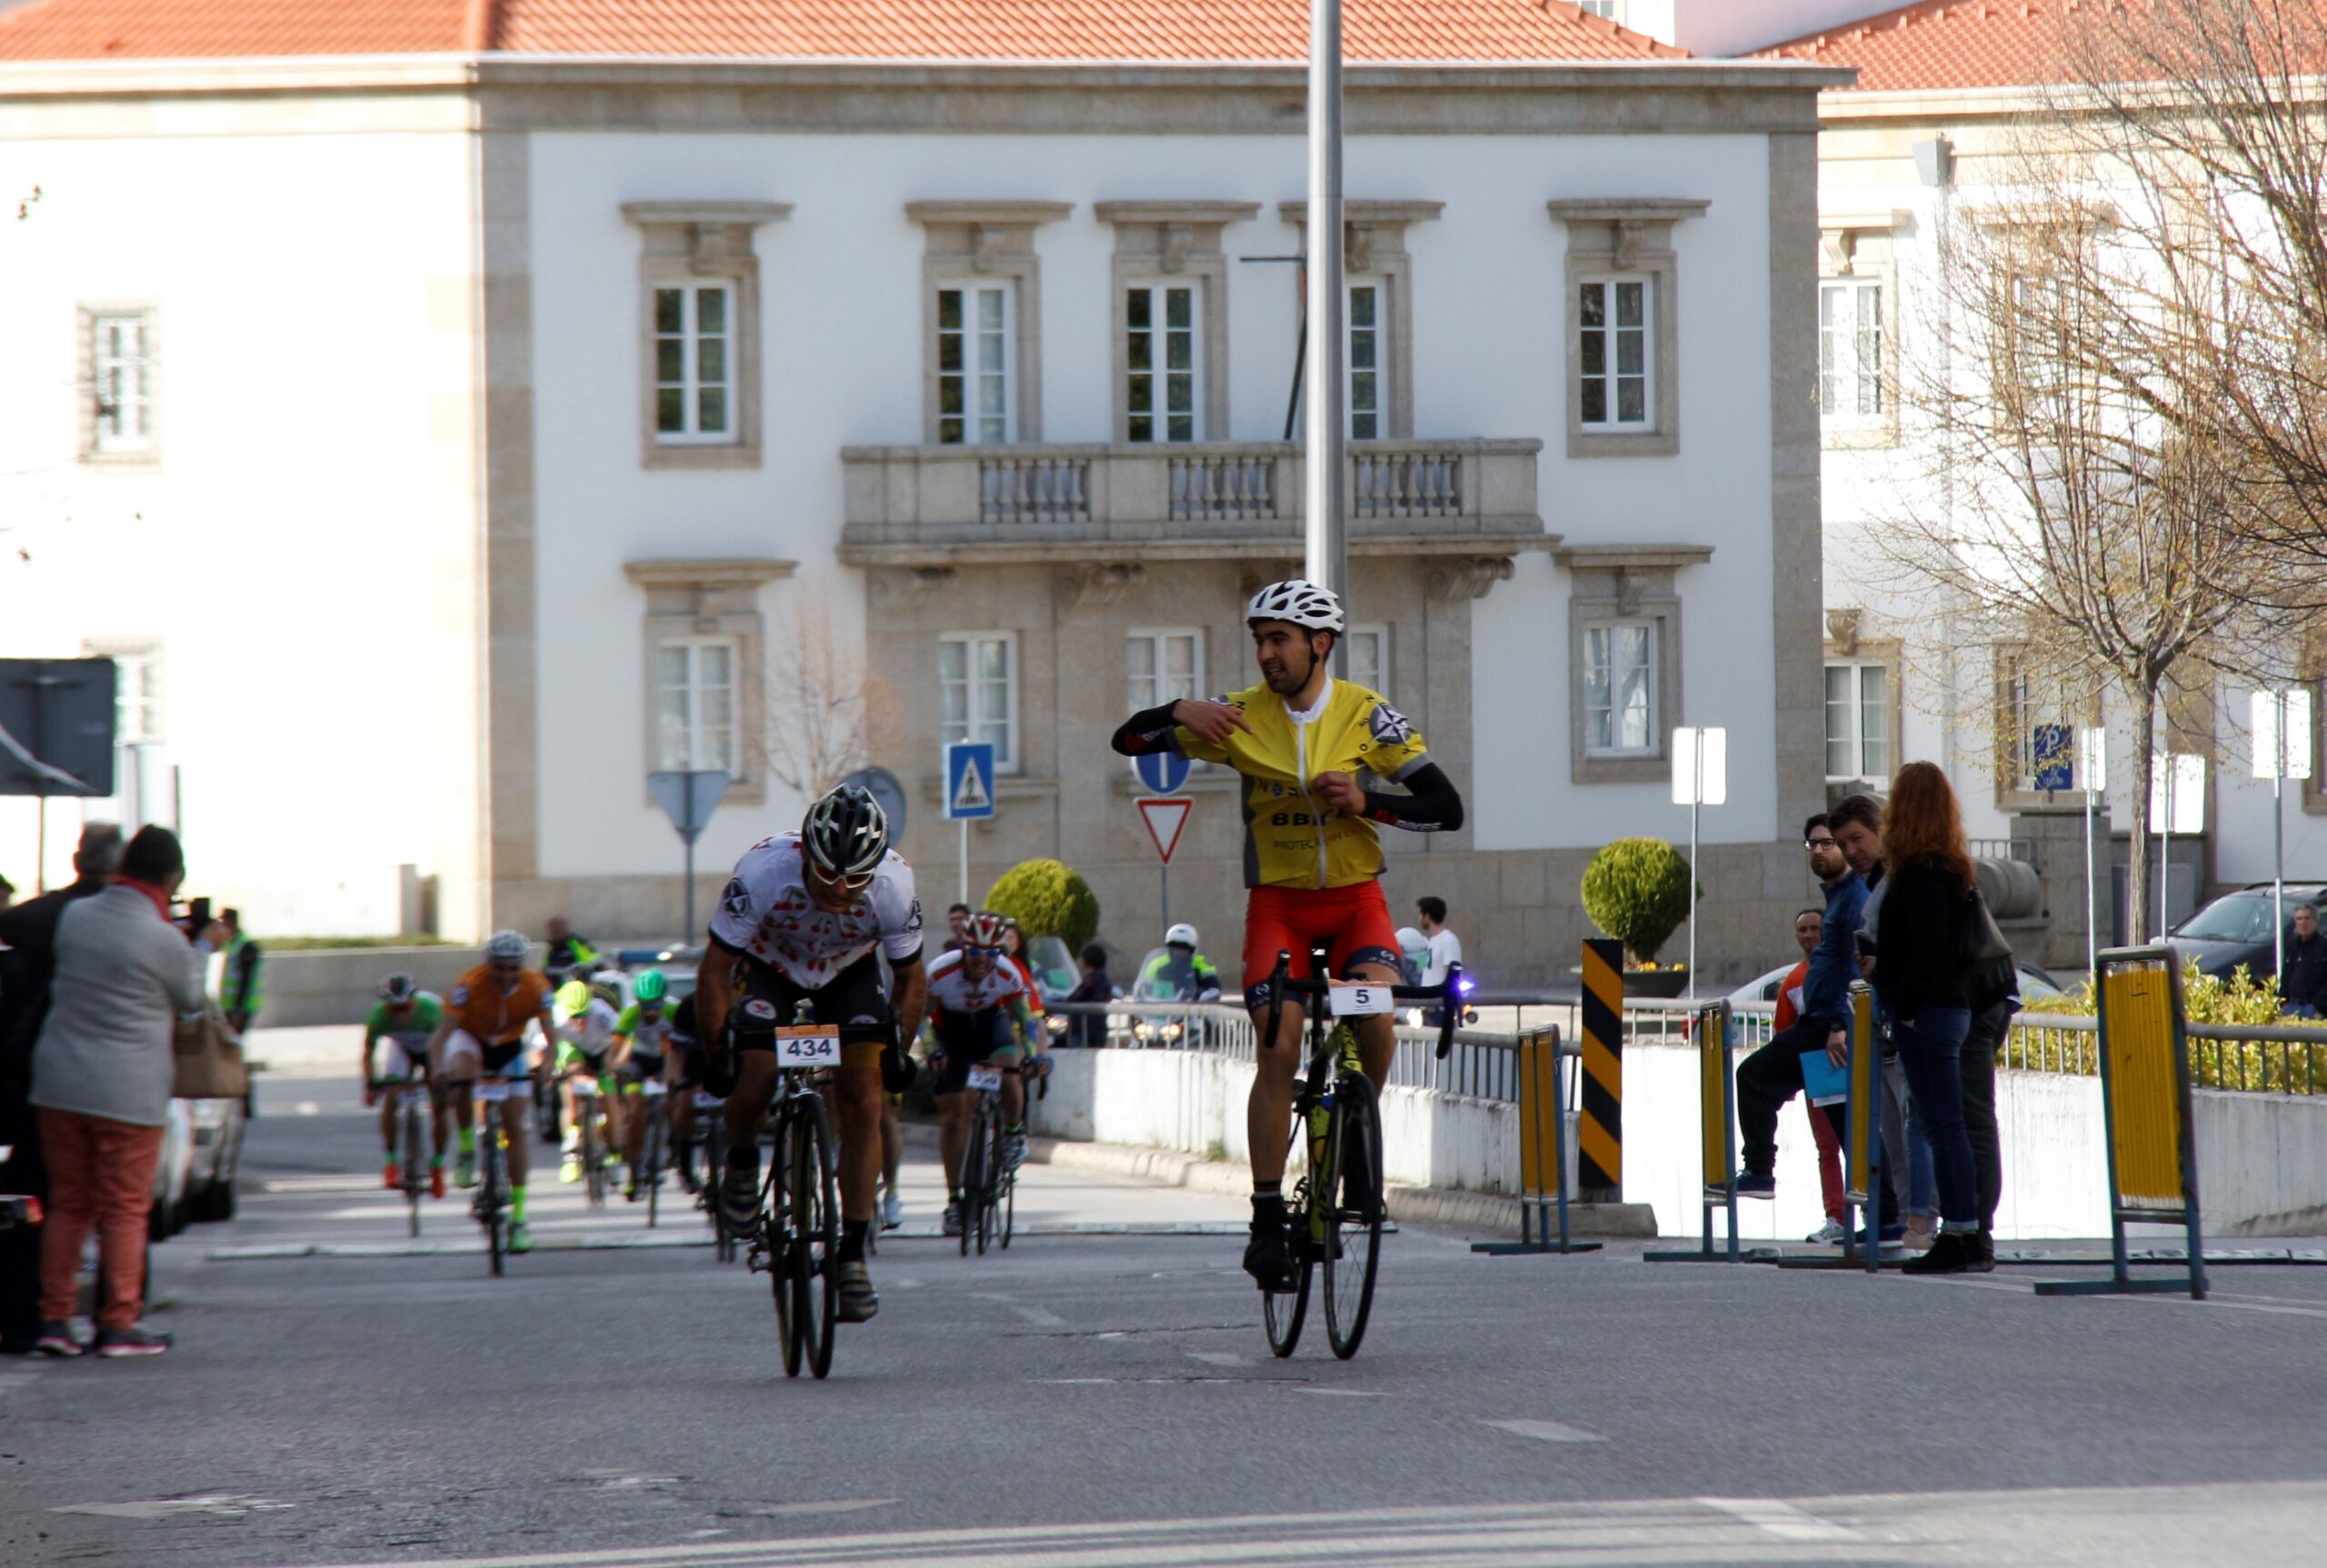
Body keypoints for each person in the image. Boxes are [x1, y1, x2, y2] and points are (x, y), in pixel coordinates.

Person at [1110, 577, 1465, 1290]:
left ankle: (1359, 1148)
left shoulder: (1369, 714)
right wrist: (1178, 709)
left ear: (1320, 644)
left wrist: (1369, 801)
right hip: (1278, 906)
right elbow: (1129, 740)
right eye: (1259, 641)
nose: (1267, 654)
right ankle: (1266, 1219)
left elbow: (1446, 807)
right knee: (1279, 1041)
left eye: (1280, 640)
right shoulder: (1238, 716)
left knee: (1378, 1017)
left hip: (1356, 899)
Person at [698, 784, 928, 1324]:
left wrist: (900, 1050)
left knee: (865, 1098)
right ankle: (738, 1163)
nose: (841, 889)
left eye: (855, 878)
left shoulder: (894, 884)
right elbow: (713, 969)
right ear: (804, 853)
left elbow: (911, 980)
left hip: (847, 973)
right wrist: (716, 1054)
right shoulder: (760, 873)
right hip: (770, 967)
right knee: (753, 1074)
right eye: (828, 874)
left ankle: (851, 1252)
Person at [31, 824, 213, 1357]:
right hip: (128, 1090)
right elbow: (193, 1002)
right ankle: (117, 1323)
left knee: (68, 1205)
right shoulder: (164, 938)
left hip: (60, 1081)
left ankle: (54, 1321)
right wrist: (199, 944)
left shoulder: (77, 917)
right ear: (172, 877)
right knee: (124, 1209)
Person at [1721, 808, 1900, 1238]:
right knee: (1845, 1122)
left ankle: (1761, 1170)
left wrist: (1841, 1023)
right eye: (1813, 845)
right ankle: (1887, 1218)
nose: (1821, 851)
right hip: (1822, 1027)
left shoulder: (1854, 896)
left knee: (1754, 1078)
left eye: (1829, 843)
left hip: (1826, 1030)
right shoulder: (1838, 897)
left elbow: (1856, 968)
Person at [0, 824, 123, 1354]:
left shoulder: (33, 918)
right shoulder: (128, 922)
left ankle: (33, 1319)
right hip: (112, 1080)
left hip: (30, 1073)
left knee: (42, 1199)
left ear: (77, 858)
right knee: (123, 1201)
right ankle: (116, 1316)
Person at [1867, 762, 1983, 1276]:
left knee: (1942, 1126)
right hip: (1950, 1006)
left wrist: (1906, 1008)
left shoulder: (1918, 873)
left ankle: (1960, 1232)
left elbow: (1926, 950)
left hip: (1928, 1012)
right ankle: (1969, 1234)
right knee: (1946, 1124)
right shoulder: (1953, 868)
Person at [428, 929, 555, 1252]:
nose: (506, 974)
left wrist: (547, 1065)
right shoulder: (468, 985)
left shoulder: (537, 986)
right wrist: (438, 1069)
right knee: (463, 1074)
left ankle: (520, 1217)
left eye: (513, 967)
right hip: (471, 1039)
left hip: (509, 1047)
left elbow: (551, 1038)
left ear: (522, 967)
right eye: (499, 966)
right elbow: (442, 1035)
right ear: (489, 964)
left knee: (516, 1127)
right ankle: (468, 1146)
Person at [927, 912, 1044, 1235]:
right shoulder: (940, 973)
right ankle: (954, 1201)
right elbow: (922, 1018)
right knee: (953, 1118)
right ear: (963, 949)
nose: (982, 961)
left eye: (991, 953)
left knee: (1010, 1067)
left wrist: (1032, 1057)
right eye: (975, 953)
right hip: (951, 1029)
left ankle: (1014, 1133)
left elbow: (1025, 1021)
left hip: (990, 1025)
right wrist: (931, 1049)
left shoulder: (1007, 974)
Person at [1773, 907, 1849, 1245]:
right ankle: (1836, 1217)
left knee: (1860, 1143)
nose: (1808, 935)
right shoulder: (1792, 982)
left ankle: (1878, 1214)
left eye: (1814, 928)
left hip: (1852, 1061)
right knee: (1828, 1148)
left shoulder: (1841, 968)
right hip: (1817, 1067)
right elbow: (1784, 1031)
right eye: (1802, 929)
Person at [364, 973, 446, 1195]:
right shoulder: (379, 1017)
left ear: (415, 1002)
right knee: (391, 1097)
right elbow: (367, 1054)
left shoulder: (432, 1012)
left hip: (434, 1049)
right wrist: (371, 1084)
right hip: (402, 1049)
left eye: (405, 1008)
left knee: (441, 1104)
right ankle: (391, 1161)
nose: (400, 1015)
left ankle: (438, 1165)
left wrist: (438, 1076)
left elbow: (447, 1044)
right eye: (395, 1010)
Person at [554, 977, 624, 1185]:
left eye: (584, 1015)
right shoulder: (555, 1016)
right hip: (574, 1050)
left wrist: (617, 1065)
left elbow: (623, 1038)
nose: (580, 1022)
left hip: (603, 1050)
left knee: (610, 1101)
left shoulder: (602, 1011)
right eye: (574, 1016)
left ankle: (614, 1155)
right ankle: (572, 1154)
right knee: (570, 1087)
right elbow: (539, 1049)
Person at [614, 969, 674, 1202]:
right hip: (639, 1062)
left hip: (666, 1060)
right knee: (636, 1110)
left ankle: (678, 1151)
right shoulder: (630, 1014)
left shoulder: (673, 1011)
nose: (651, 1011)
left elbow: (684, 1050)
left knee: (677, 1100)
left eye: (656, 1005)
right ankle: (634, 1168)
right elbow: (613, 1053)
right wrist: (616, 1068)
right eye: (645, 1005)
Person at [1136, 923, 1222, 1003]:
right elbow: (1145, 987)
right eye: (1174, 947)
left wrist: (1202, 996)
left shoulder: (1202, 963)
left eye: (1184, 948)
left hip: (1192, 1011)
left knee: (1209, 1017)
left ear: (1192, 950)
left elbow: (1213, 988)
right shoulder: (1156, 963)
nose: (1178, 951)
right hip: (1161, 1009)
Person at [215, 908, 264, 1035]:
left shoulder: (246, 946)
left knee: (236, 1040)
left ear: (230, 924)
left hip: (242, 1005)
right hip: (230, 1005)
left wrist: (238, 1010)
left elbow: (246, 979)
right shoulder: (231, 944)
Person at [1063, 941, 1114, 1047]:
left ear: (1087, 959)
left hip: (1083, 1029)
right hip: (1099, 1028)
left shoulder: (1090, 980)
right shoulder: (1105, 979)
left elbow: (1073, 1000)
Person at [2281, 904, 2327, 1017]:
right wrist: (2282, 1001)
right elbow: (2286, 975)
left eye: (2307, 918)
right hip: (2290, 1007)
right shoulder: (2292, 945)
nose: (2303, 922)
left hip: (2313, 1009)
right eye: (2299, 919)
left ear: (2315, 921)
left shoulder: (2324, 946)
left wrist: (2317, 1007)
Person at [544, 915, 596, 983]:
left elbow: (593, 964)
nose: (556, 929)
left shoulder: (577, 944)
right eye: (553, 927)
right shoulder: (550, 948)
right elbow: (546, 969)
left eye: (559, 926)